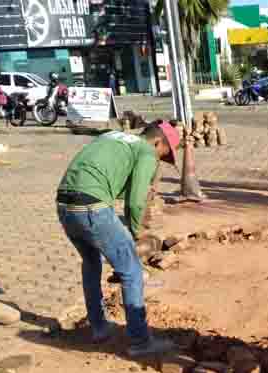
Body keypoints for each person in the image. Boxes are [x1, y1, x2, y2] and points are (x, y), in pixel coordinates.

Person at [56, 122, 180, 357]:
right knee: (131, 270)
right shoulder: (145, 151)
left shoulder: (114, 137)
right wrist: (135, 233)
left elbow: (110, 180)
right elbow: (134, 203)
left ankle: (99, 328)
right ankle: (140, 342)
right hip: (92, 207)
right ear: (156, 142)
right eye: (163, 154)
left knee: (91, 263)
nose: (159, 161)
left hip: (64, 204)